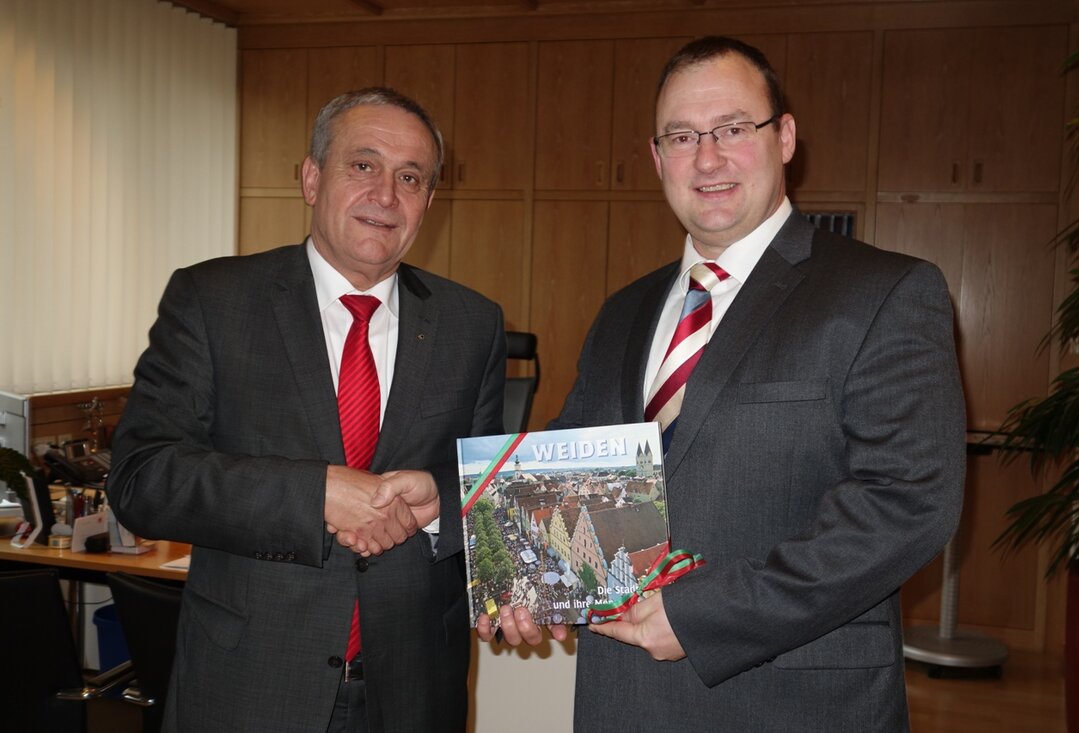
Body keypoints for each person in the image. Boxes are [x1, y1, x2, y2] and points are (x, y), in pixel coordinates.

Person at [479, 36, 965, 731]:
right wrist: (507, 564)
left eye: (734, 128)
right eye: (682, 136)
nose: (707, 158)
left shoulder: (884, 292)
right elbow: (571, 462)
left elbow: (908, 501)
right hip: (622, 699)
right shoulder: (624, 311)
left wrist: (705, 614)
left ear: (785, 137)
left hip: (791, 701)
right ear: (656, 157)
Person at [108, 87, 505, 732]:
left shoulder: (473, 324)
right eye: (364, 165)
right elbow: (142, 479)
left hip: (413, 694)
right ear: (312, 178)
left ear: (430, 201)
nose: (386, 196)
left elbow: (488, 496)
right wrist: (314, 493)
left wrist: (440, 499)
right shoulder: (213, 301)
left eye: (411, 178)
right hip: (250, 688)